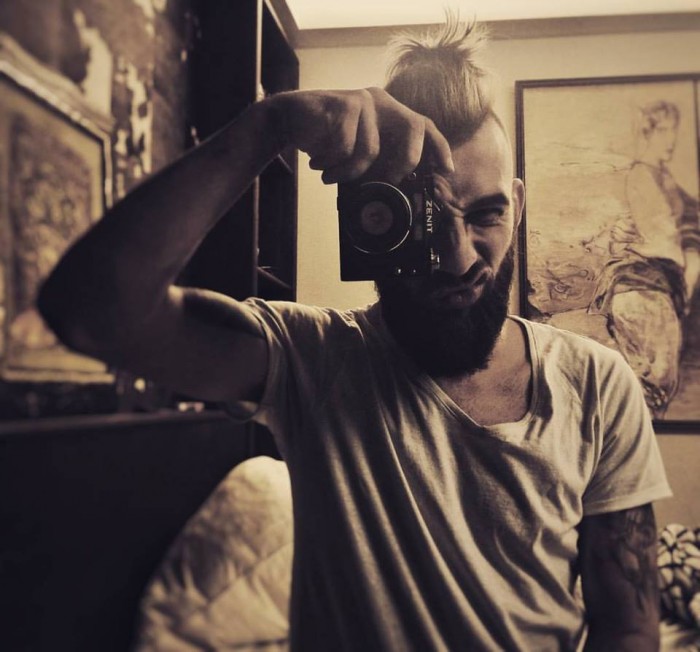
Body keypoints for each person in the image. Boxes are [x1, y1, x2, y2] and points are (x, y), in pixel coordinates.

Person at [38, 18, 671, 652]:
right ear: (373, 221)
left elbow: (628, 626)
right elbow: (93, 312)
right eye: (423, 222)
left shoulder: (596, 384)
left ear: (519, 205)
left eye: (485, 215)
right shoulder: (310, 359)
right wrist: (269, 126)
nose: (459, 259)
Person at [590, 100, 700, 418]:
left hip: (652, 285)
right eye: (663, 130)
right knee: (656, 383)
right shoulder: (641, 176)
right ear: (648, 132)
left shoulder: (665, 179)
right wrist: (688, 267)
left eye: (673, 131)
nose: (671, 139)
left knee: (654, 384)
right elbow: (661, 238)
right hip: (642, 287)